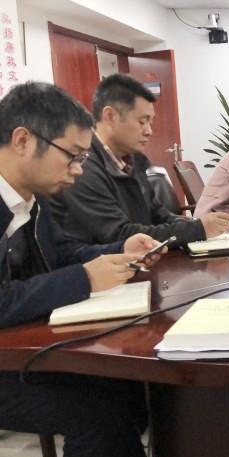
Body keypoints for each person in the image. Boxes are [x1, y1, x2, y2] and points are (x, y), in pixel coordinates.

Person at [0, 82, 167, 456]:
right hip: (8, 360)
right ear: (23, 140)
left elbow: (62, 253)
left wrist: (119, 250)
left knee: (130, 384)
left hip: (24, 344)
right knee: (99, 417)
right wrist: (86, 277)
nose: (77, 170)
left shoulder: (34, 199)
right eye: (72, 156)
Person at [49, 73, 229, 247]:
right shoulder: (83, 167)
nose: (149, 131)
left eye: (150, 122)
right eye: (142, 121)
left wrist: (194, 225)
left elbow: (156, 212)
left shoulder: (133, 160)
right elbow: (119, 234)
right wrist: (197, 229)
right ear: (110, 116)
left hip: (141, 260)